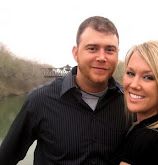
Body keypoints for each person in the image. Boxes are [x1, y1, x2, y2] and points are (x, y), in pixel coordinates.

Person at [0, 16, 129, 165]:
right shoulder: (40, 100)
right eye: (92, 48)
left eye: (110, 50)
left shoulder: (128, 104)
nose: (102, 57)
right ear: (76, 53)